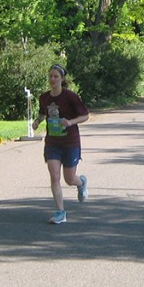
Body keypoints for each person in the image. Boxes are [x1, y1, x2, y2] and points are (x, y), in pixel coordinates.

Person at [34, 63, 90, 225]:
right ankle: (60, 212)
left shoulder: (70, 96)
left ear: (62, 78)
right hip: (52, 142)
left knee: (69, 178)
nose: (52, 79)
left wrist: (70, 122)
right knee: (54, 177)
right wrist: (38, 121)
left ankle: (81, 183)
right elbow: (43, 112)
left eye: (56, 76)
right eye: (50, 76)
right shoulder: (44, 97)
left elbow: (85, 116)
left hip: (70, 142)